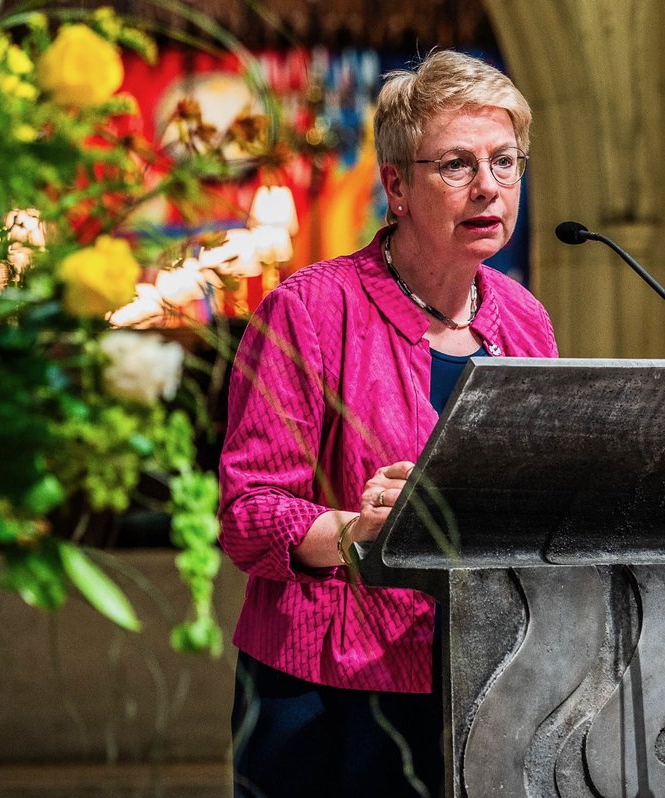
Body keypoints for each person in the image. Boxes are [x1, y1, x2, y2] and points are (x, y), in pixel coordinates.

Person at [218, 49, 558, 798]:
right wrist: (363, 529)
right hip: (326, 690)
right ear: (397, 185)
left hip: (485, 674)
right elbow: (248, 515)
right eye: (458, 166)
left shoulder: (526, 321)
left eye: (505, 162)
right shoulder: (309, 311)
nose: (489, 188)